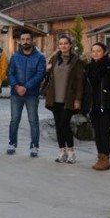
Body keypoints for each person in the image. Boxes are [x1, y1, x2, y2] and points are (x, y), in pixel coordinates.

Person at [44, 35, 85, 164]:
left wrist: (78, 99)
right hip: (55, 98)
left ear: (70, 45)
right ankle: (62, 152)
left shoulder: (76, 61)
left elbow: (80, 82)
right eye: (61, 44)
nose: (63, 46)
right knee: (59, 125)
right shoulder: (55, 59)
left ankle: (71, 152)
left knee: (64, 124)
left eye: (65, 43)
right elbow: (47, 77)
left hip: (69, 99)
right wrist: (47, 70)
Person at [7, 31, 46, 157]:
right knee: (14, 120)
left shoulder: (40, 57)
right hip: (16, 93)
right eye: (23, 39)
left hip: (32, 94)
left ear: (32, 40)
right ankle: (12, 143)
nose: (25, 42)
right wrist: (17, 86)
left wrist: (26, 87)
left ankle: (34, 146)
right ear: (19, 41)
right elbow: (10, 73)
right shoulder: (14, 57)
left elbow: (40, 75)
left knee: (33, 120)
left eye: (28, 39)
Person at [86, 42, 110, 171]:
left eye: (98, 51)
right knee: (97, 133)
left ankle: (105, 159)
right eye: (93, 51)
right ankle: (100, 156)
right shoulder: (89, 67)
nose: (95, 53)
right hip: (93, 106)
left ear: (104, 52)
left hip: (107, 105)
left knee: (104, 132)